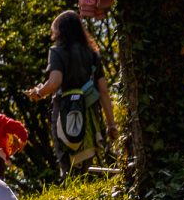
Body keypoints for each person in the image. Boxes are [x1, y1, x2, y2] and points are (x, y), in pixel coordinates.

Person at [26, 9, 117, 173]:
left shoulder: (57, 51)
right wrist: (111, 124)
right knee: (86, 161)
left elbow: (55, 82)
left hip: (65, 110)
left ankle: (70, 183)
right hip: (89, 112)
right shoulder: (92, 53)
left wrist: (39, 92)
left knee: (67, 160)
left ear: (60, 31)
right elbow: (103, 90)